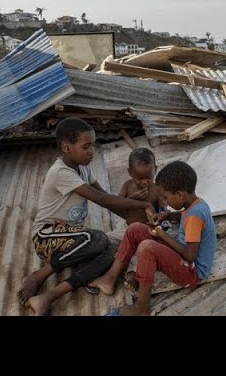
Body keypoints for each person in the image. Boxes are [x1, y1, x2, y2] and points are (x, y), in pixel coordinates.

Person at [16, 117, 156, 316]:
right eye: (86, 146)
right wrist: (144, 204)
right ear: (66, 147)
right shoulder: (61, 173)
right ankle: (38, 276)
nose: (91, 151)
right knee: (98, 239)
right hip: (46, 237)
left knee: (115, 248)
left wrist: (134, 224)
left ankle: (49, 296)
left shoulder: (83, 168)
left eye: (93, 145)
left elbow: (107, 199)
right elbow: (103, 200)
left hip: (74, 240)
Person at [91, 161, 216, 316]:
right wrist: (168, 215)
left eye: (166, 197)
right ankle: (109, 279)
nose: (166, 202)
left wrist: (162, 234)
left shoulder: (195, 216)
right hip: (184, 257)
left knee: (147, 248)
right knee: (135, 229)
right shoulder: (195, 204)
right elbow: (184, 215)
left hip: (192, 271)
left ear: (180, 195)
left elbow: (190, 255)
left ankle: (141, 308)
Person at [118, 148, 166, 225]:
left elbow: (162, 209)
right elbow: (118, 205)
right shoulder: (127, 185)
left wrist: (162, 214)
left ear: (155, 169)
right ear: (130, 172)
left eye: (148, 178)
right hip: (129, 227)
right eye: (139, 179)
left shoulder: (157, 189)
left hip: (150, 228)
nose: (144, 182)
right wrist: (132, 198)